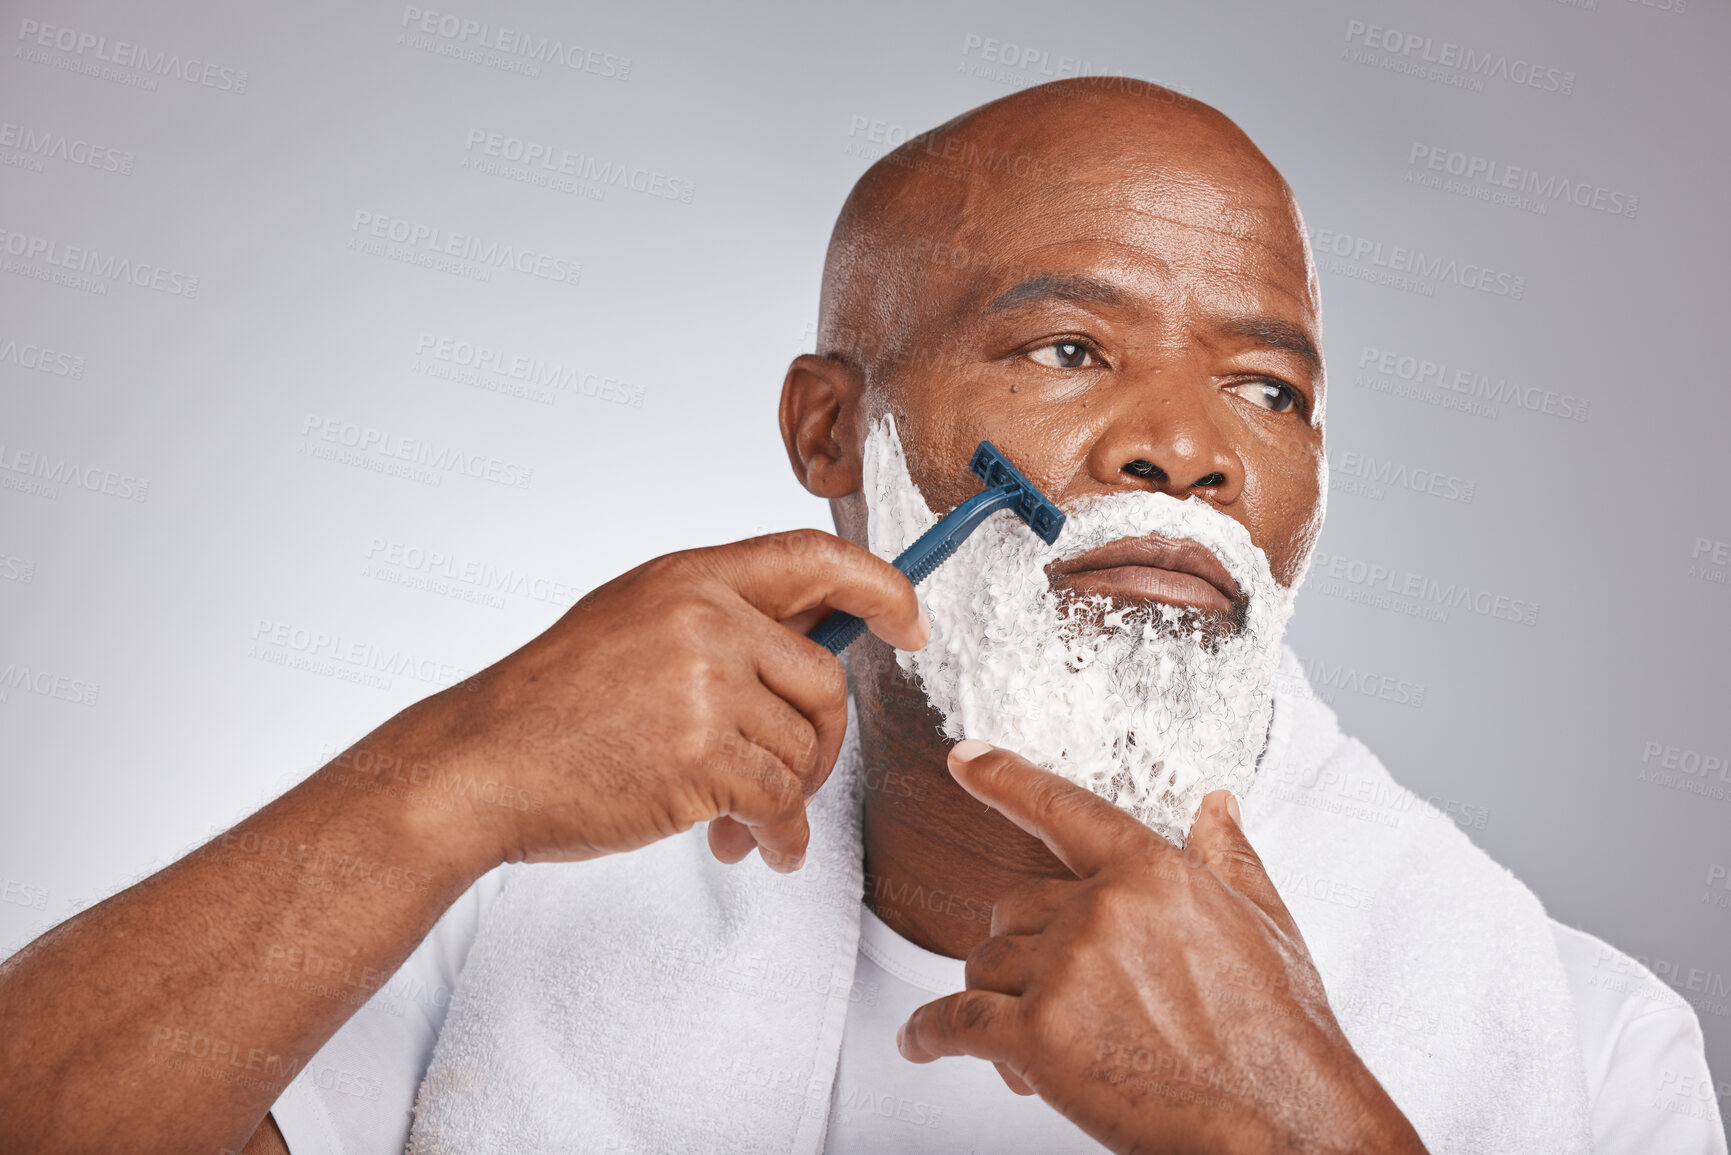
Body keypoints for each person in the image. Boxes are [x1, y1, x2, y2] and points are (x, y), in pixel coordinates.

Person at [0, 78, 1722, 1155]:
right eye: (1068, 349)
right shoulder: (493, 931)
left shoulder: (1587, 1050)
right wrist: (447, 777)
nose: (1186, 451)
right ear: (835, 433)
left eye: (1269, 391)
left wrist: (1291, 1135)